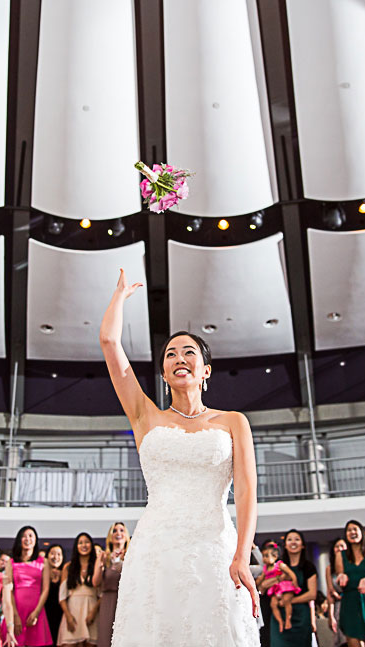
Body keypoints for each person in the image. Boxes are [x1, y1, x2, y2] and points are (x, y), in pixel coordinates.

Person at [99, 270, 260, 646]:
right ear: (165, 373)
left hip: (214, 546)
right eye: (171, 354)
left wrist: (241, 555)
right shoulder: (145, 416)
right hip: (156, 546)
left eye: (189, 352)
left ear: (205, 371)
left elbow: (248, 492)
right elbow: (109, 341)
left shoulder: (233, 421)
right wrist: (120, 297)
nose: (179, 358)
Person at [335, 520, 365, 647]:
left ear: (362, 533)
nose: (352, 532)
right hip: (350, 601)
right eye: (349, 530)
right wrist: (341, 576)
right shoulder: (341, 555)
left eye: (355, 529)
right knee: (353, 641)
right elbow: (340, 576)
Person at [266, 529, 317, 647]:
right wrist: (279, 579)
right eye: (289, 539)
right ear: (285, 545)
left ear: (303, 545)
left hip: (301, 617)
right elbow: (264, 585)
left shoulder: (308, 567)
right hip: (280, 618)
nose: (293, 542)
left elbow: (312, 594)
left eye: (297, 539)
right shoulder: (278, 566)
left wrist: (289, 601)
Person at [9, 526, 51, 647]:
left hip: (36, 611)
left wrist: (36, 612)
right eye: (24, 536)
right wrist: (15, 615)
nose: (27, 539)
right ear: (19, 540)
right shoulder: (11, 562)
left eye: (31, 536)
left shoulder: (43, 562)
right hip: (17, 610)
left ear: (36, 540)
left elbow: (46, 589)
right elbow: (9, 591)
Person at [57, 532, 99, 646]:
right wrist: (68, 616)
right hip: (72, 611)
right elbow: (62, 596)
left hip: (92, 610)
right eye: (80, 543)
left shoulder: (97, 566)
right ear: (76, 546)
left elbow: (102, 594)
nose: (84, 545)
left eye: (87, 542)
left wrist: (93, 612)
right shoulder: (68, 567)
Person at [92, 522, 128, 647]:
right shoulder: (103, 556)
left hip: (126, 601)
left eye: (121, 530)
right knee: (106, 636)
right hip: (108, 601)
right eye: (114, 530)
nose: (118, 533)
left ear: (126, 535)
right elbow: (95, 582)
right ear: (110, 536)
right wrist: (100, 567)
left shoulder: (131, 554)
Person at [255, 542, 301, 633]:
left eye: (266, 556)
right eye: (263, 556)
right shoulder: (265, 569)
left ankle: (288, 619)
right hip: (275, 590)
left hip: (284, 587)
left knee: (287, 601)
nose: (264, 559)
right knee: (273, 604)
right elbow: (261, 579)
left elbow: (291, 574)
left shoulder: (280, 565)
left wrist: (295, 582)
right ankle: (280, 621)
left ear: (275, 556)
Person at [44, 545, 64, 647]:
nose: (55, 557)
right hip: (44, 616)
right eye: (52, 553)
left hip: (62, 616)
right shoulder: (41, 573)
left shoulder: (67, 574)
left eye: (59, 554)